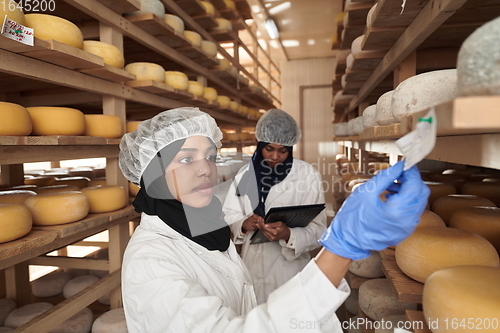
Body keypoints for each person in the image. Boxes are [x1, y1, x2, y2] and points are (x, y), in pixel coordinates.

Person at [118, 107, 429, 332]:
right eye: (187, 159)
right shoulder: (150, 264)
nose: (206, 170)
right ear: (152, 175)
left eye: (210, 157)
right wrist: (341, 248)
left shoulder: (196, 227)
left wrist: (289, 235)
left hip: (289, 268)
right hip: (258, 265)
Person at [222, 109, 327, 304]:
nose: (275, 156)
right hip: (251, 267)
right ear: (260, 145)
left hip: (289, 273)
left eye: (283, 150)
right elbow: (229, 214)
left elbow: (319, 231)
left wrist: (289, 235)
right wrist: (244, 223)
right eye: (269, 148)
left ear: (291, 148)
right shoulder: (244, 174)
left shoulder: (306, 175)